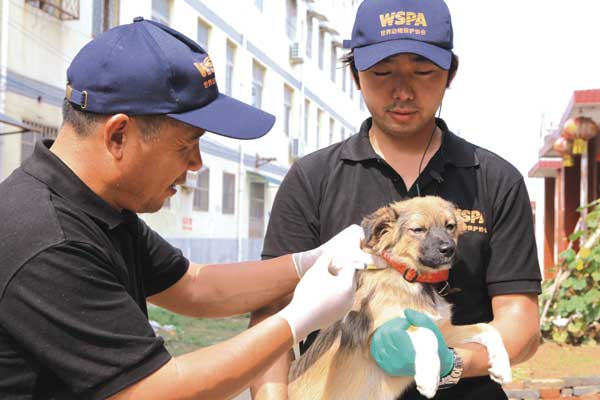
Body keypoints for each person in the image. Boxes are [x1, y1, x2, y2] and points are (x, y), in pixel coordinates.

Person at [0, 17, 370, 400]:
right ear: (118, 135)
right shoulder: (48, 240)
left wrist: (306, 262)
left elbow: (194, 286)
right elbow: (152, 391)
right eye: (185, 145)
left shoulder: (100, 207)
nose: (196, 163)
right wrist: (297, 320)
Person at [251, 0, 542, 399]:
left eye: (423, 72)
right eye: (382, 72)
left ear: (449, 74)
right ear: (356, 75)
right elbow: (271, 314)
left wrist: (451, 361)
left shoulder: (493, 179)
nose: (403, 91)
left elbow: (520, 320)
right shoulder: (312, 179)